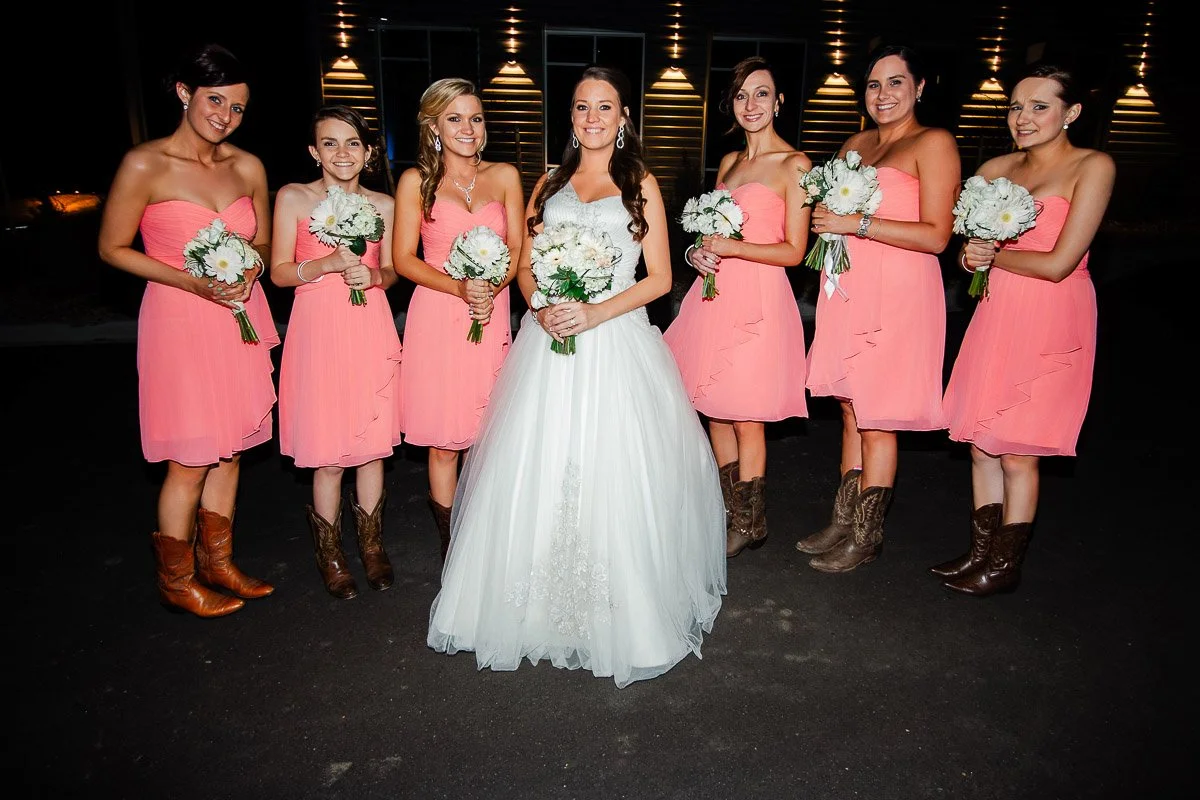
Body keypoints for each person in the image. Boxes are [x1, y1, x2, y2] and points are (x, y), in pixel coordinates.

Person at [427, 65, 727, 688]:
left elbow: (661, 278)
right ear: (571, 117)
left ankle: (620, 606)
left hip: (613, 338)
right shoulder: (548, 183)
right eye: (582, 107)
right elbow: (526, 265)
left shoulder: (638, 181)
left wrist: (592, 311)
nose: (592, 118)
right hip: (549, 341)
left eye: (605, 107)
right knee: (539, 465)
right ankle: (526, 606)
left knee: (609, 469)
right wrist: (540, 306)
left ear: (623, 119)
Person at [97, 43, 277, 617]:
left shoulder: (247, 166)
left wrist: (247, 266)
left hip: (238, 316)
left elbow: (265, 244)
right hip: (179, 318)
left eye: (238, 108)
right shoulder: (144, 164)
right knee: (191, 455)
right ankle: (176, 582)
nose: (225, 116)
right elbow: (112, 248)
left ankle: (218, 563)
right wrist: (192, 280)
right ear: (184, 93)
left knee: (231, 451)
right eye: (215, 100)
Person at [933, 63, 1115, 596]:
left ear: (1071, 112)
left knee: (1018, 448)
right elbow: (968, 254)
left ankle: (1004, 566)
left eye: (1039, 106)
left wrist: (994, 258)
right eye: (1015, 106)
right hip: (996, 312)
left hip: (1051, 313)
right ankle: (980, 552)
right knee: (981, 442)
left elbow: (1060, 263)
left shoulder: (1093, 165)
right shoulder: (995, 168)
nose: (1023, 117)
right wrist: (970, 259)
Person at [796, 44, 960, 573]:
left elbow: (938, 236)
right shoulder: (857, 142)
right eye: (873, 84)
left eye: (895, 82)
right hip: (849, 287)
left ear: (920, 87)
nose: (882, 94)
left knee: (878, 414)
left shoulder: (932, 143)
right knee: (848, 404)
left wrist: (855, 224)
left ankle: (868, 535)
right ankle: (843, 519)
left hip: (900, 290)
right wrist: (825, 219)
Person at [663, 56, 812, 558]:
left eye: (762, 93)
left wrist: (734, 249)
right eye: (743, 95)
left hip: (760, 300)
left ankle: (751, 521)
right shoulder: (728, 163)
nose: (752, 105)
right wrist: (697, 252)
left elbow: (795, 250)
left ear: (780, 101)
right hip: (715, 295)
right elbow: (710, 232)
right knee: (714, 410)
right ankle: (731, 512)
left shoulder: (796, 165)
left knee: (747, 414)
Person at [270, 105, 402, 600]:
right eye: (330, 143)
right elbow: (279, 270)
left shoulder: (384, 204)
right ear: (314, 151)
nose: (341, 153)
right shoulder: (294, 197)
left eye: (352, 143)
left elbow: (392, 271)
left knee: (370, 445)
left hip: (368, 322)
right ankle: (330, 552)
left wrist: (373, 276)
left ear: (368, 153)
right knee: (329, 453)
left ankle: (371, 545)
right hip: (317, 326)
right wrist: (322, 263)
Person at [393, 78, 524, 562]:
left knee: (485, 434)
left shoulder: (505, 176)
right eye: (455, 118)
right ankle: (452, 547)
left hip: (491, 316)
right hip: (438, 314)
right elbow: (404, 258)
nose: (468, 128)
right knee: (446, 439)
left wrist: (493, 286)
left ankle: (482, 535)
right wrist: (460, 287)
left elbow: (516, 248)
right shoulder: (415, 182)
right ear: (433, 126)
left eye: (476, 118)